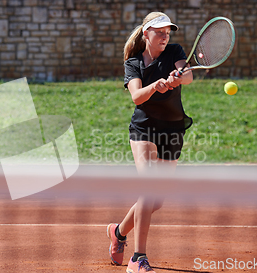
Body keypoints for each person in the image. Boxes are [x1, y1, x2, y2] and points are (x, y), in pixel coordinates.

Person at [107, 12, 193, 273]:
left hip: (173, 128)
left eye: (168, 31)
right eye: (159, 31)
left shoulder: (175, 50)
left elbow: (188, 76)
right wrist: (156, 85)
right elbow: (136, 97)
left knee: (156, 201)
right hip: (144, 129)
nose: (165, 36)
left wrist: (178, 76)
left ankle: (118, 232)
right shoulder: (133, 63)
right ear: (146, 34)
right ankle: (138, 258)